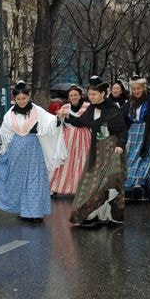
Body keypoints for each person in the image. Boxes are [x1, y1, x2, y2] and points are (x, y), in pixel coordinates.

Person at [0, 80, 66, 223]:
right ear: (14, 99)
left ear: (29, 96)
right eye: (18, 99)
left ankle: (35, 213)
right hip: (16, 151)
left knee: (34, 181)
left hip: (33, 149)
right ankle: (24, 211)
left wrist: (59, 117)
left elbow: (52, 124)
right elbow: (2, 135)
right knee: (19, 181)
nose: (22, 101)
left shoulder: (37, 111)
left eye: (24, 98)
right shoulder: (9, 115)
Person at [57, 76, 128, 227]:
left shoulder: (112, 109)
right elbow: (81, 122)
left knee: (109, 182)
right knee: (91, 182)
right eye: (89, 94)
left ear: (103, 93)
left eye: (94, 94)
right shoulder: (91, 109)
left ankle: (112, 216)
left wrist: (121, 145)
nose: (91, 97)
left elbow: (122, 130)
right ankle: (91, 215)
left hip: (112, 149)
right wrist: (66, 116)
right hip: (96, 149)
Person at [122, 77, 150, 201]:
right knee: (131, 159)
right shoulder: (129, 102)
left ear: (143, 88)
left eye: (138, 88)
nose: (136, 91)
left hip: (148, 133)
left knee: (146, 160)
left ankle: (142, 186)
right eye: (134, 89)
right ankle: (132, 187)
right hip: (133, 133)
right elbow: (122, 116)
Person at [50, 86, 91, 195]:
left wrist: (67, 116)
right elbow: (58, 124)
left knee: (82, 161)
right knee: (64, 160)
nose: (73, 97)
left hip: (83, 136)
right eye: (71, 95)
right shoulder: (65, 107)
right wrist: (59, 118)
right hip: (68, 137)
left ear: (80, 95)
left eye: (75, 95)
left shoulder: (87, 106)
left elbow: (84, 122)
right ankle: (56, 186)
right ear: (68, 97)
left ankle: (82, 188)